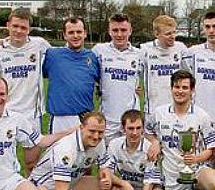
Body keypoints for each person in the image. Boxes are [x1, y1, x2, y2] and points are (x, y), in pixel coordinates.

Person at [104, 109, 165, 190]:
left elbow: (148, 185)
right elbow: (107, 172)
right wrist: (123, 183)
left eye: (138, 128)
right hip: (129, 186)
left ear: (143, 129)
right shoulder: (115, 145)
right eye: (130, 128)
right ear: (123, 128)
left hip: (148, 187)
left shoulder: (150, 148)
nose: (135, 133)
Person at [42, 17, 100, 133]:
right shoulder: (52, 55)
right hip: (60, 119)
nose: (75, 36)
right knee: (59, 151)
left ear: (85, 34)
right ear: (64, 35)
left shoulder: (93, 57)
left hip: (85, 118)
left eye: (79, 32)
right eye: (71, 32)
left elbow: (106, 81)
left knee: (85, 151)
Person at [0, 8, 51, 126]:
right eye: (15, 26)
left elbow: (62, 55)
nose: (18, 31)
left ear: (29, 29)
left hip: (33, 113)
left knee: (34, 145)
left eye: (23, 28)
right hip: (7, 111)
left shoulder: (40, 45)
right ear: (8, 25)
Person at [93, 14, 142, 142]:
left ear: (130, 31)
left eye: (123, 30)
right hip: (107, 118)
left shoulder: (140, 54)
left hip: (131, 120)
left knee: (130, 158)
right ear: (109, 31)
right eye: (115, 30)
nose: (119, 34)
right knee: (106, 159)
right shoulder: (99, 51)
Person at [186, 12, 215, 137]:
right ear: (203, 29)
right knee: (196, 154)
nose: (211, 31)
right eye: (207, 27)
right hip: (196, 114)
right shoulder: (193, 52)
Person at [140, 15, 191, 115]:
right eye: (168, 34)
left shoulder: (181, 48)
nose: (173, 36)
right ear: (157, 34)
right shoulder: (145, 50)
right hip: (153, 110)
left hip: (176, 109)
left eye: (174, 32)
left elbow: (190, 75)